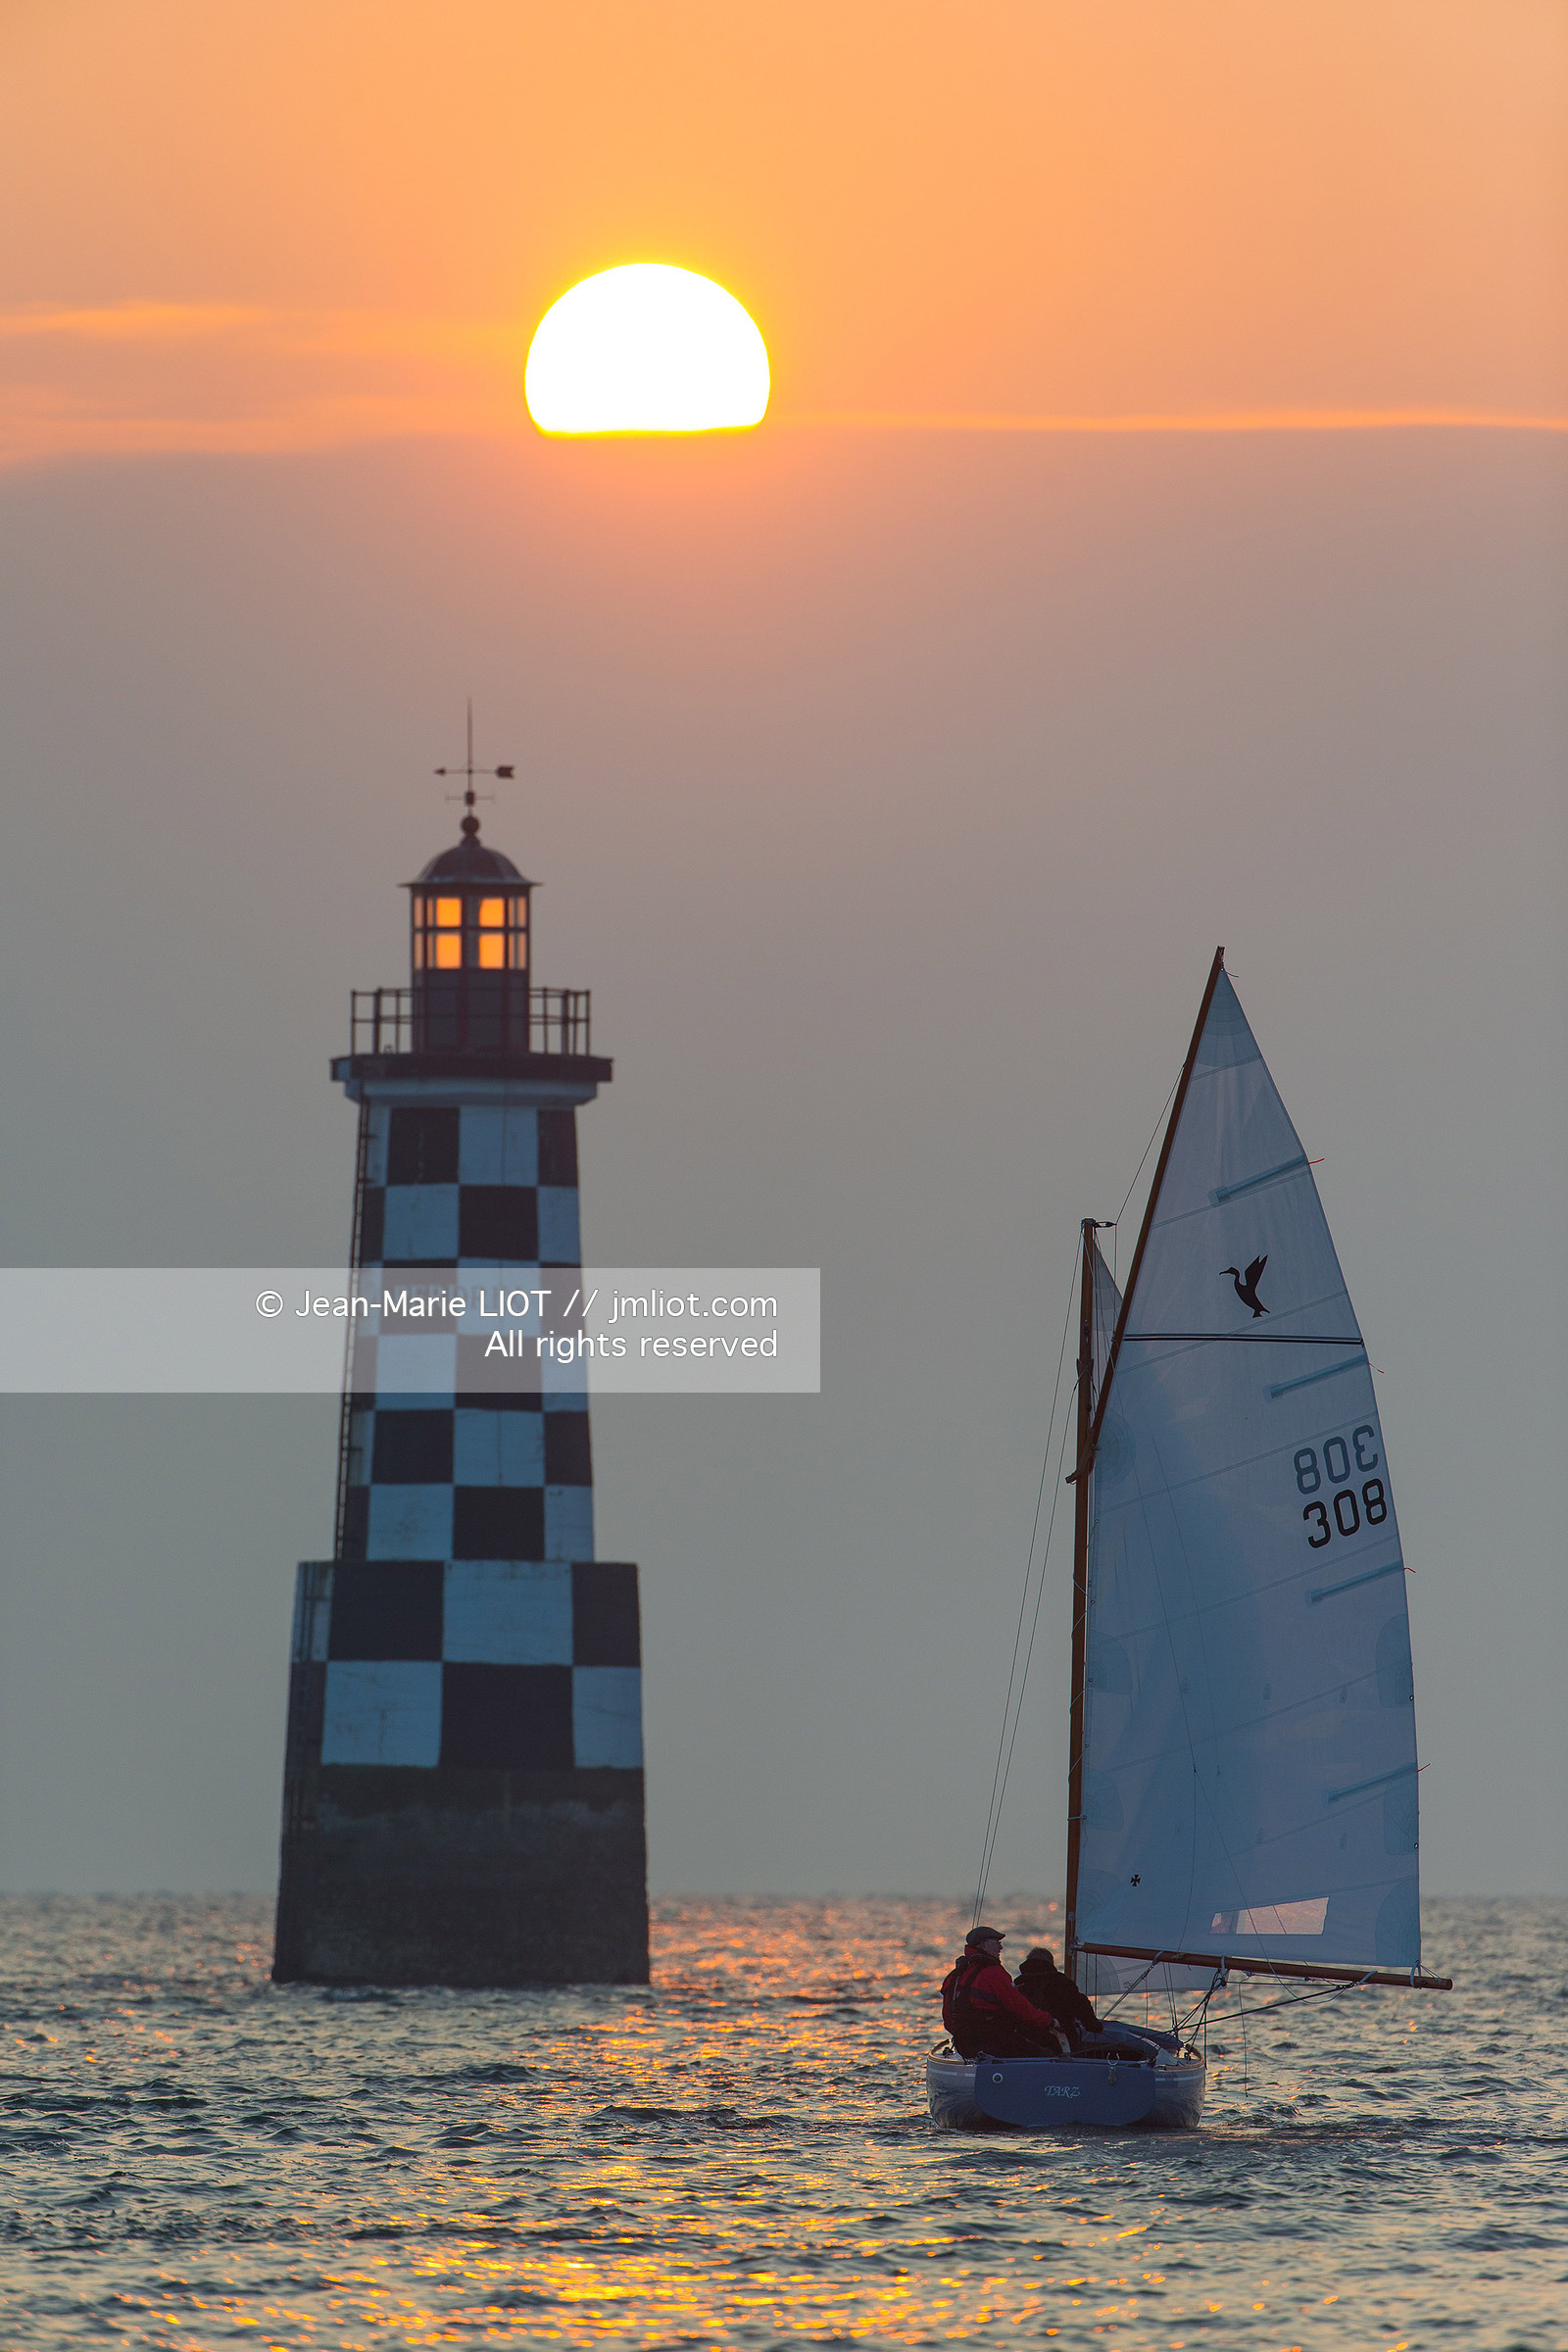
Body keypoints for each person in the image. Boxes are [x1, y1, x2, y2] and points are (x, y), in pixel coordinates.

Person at [941, 1926, 1069, 2059]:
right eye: (997, 1943)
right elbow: (1022, 2008)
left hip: (964, 2046)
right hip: (995, 2045)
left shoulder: (953, 1976)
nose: (1000, 1948)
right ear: (984, 1945)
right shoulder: (994, 1974)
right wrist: (1050, 2021)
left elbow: (948, 2018)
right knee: (1049, 2055)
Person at [1014, 1946, 1154, 2063]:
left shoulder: (1017, 1985)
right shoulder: (1062, 1984)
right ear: (1051, 1964)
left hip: (1024, 2044)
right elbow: (1081, 2006)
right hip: (1059, 2044)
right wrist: (1094, 2026)